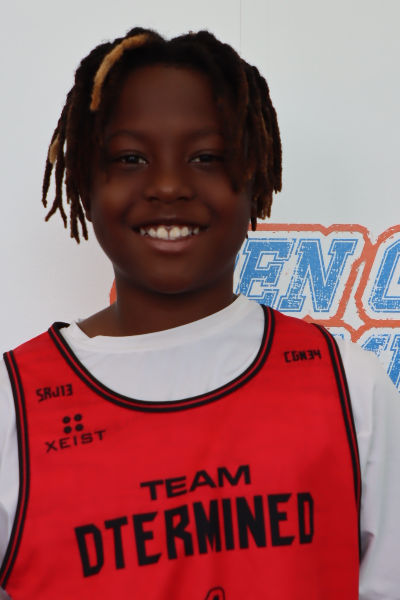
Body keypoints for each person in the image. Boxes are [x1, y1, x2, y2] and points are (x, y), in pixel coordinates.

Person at [0, 27, 399, 600]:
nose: (168, 186)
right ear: (85, 182)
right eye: (130, 158)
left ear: (256, 179)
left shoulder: (350, 385)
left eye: (206, 157)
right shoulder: (12, 406)